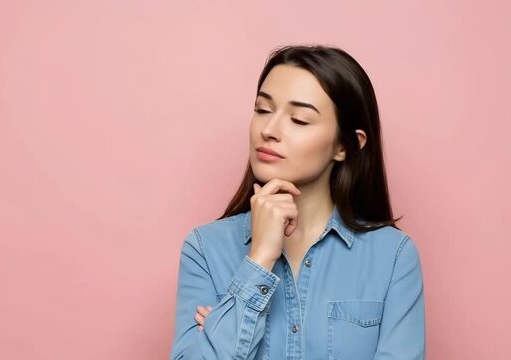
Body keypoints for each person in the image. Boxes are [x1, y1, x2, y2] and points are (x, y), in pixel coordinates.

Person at [169, 45, 425, 360]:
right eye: (262, 110)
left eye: (299, 119)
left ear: (346, 146)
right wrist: (259, 260)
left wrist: (223, 330)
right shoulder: (205, 250)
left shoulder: (393, 257)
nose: (269, 130)